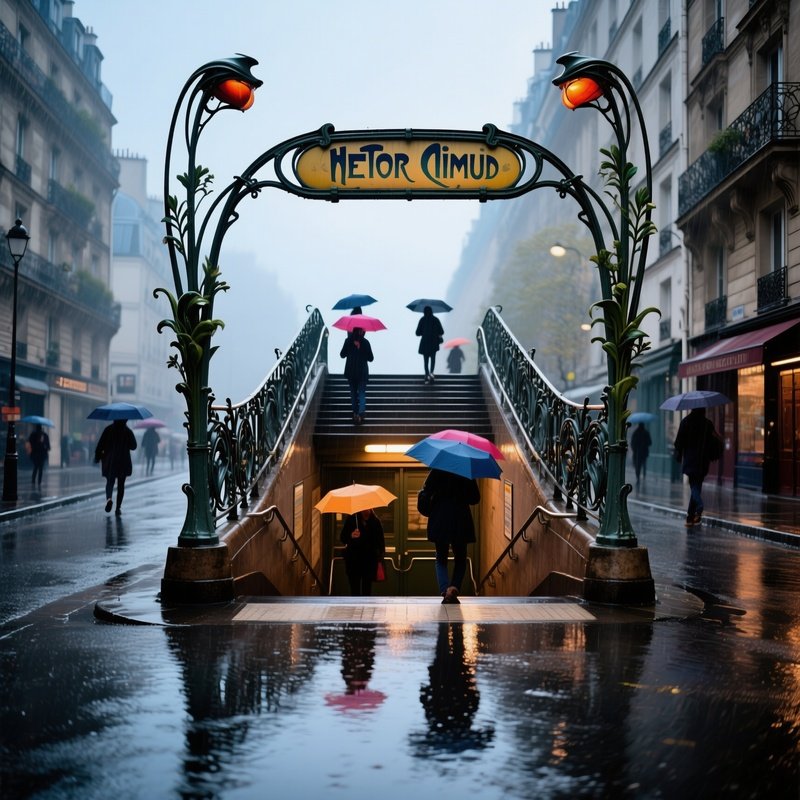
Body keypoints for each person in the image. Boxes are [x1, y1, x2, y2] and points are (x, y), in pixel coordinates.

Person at [422, 467, 480, 604]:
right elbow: (475, 498)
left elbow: (426, 493)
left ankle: (444, 590)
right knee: (460, 559)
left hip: (440, 519)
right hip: (461, 520)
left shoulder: (437, 470)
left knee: (441, 558)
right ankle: (454, 587)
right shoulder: (466, 471)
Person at [673, 407, 722, 528]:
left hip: (690, 460)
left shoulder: (685, 422)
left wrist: (679, 454)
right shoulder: (707, 423)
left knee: (694, 486)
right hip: (703, 460)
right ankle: (690, 516)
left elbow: (678, 442)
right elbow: (714, 440)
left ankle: (699, 506)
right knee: (697, 486)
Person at [94, 419, 137, 516]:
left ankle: (109, 499)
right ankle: (118, 508)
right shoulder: (127, 431)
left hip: (110, 461)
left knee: (110, 482)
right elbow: (134, 446)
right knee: (121, 485)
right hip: (123, 461)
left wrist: (97, 457)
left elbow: (100, 444)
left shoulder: (108, 430)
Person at [340, 508, 386, 596]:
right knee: (354, 590)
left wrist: (380, 556)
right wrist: (351, 535)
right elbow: (343, 538)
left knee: (367, 590)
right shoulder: (352, 519)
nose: (366, 510)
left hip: (369, 562)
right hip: (354, 562)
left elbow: (381, 542)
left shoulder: (375, 521)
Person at [340, 326, 373, 425]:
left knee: (353, 393)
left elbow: (342, 355)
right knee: (361, 392)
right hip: (362, 373)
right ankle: (361, 412)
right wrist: (361, 349)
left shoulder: (348, 341)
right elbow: (371, 358)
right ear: (362, 331)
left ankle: (355, 413)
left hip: (351, 372)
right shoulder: (366, 342)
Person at [416, 305, 444, 384]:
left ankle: (426, 374)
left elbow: (417, 333)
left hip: (425, 343)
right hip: (434, 343)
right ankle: (431, 373)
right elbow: (441, 331)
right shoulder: (436, 320)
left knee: (426, 360)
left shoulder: (422, 320)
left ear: (424, 312)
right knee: (433, 359)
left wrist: (423, 332)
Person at [28, 424, 51, 491]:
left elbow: (30, 442)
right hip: (39, 454)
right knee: (39, 468)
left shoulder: (41, 435)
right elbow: (48, 447)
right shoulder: (38, 435)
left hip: (38, 454)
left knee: (37, 467)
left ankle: (35, 481)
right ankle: (38, 481)